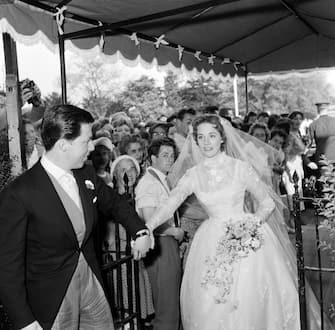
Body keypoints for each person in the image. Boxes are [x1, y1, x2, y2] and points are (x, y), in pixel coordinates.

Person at [145, 114, 325, 330]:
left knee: (250, 300)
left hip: (247, 241)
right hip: (211, 242)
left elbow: (267, 204)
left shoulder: (239, 168)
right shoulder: (193, 175)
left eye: (211, 136)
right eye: (201, 137)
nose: (206, 142)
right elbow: (170, 203)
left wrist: (250, 226)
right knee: (211, 301)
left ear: (222, 138)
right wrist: (148, 226)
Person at [0, 104, 152, 330]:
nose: (92, 147)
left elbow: (115, 203)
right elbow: (7, 266)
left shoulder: (86, 173)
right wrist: (25, 322)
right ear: (62, 145)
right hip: (52, 299)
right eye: (86, 141)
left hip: (93, 287)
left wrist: (140, 231)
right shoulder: (18, 194)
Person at [135, 137, 184, 330]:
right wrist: (175, 231)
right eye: (164, 155)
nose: (170, 159)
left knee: (170, 301)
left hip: (167, 244)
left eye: (172, 155)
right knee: (166, 304)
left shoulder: (160, 180)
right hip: (161, 244)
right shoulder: (149, 183)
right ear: (152, 158)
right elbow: (149, 220)